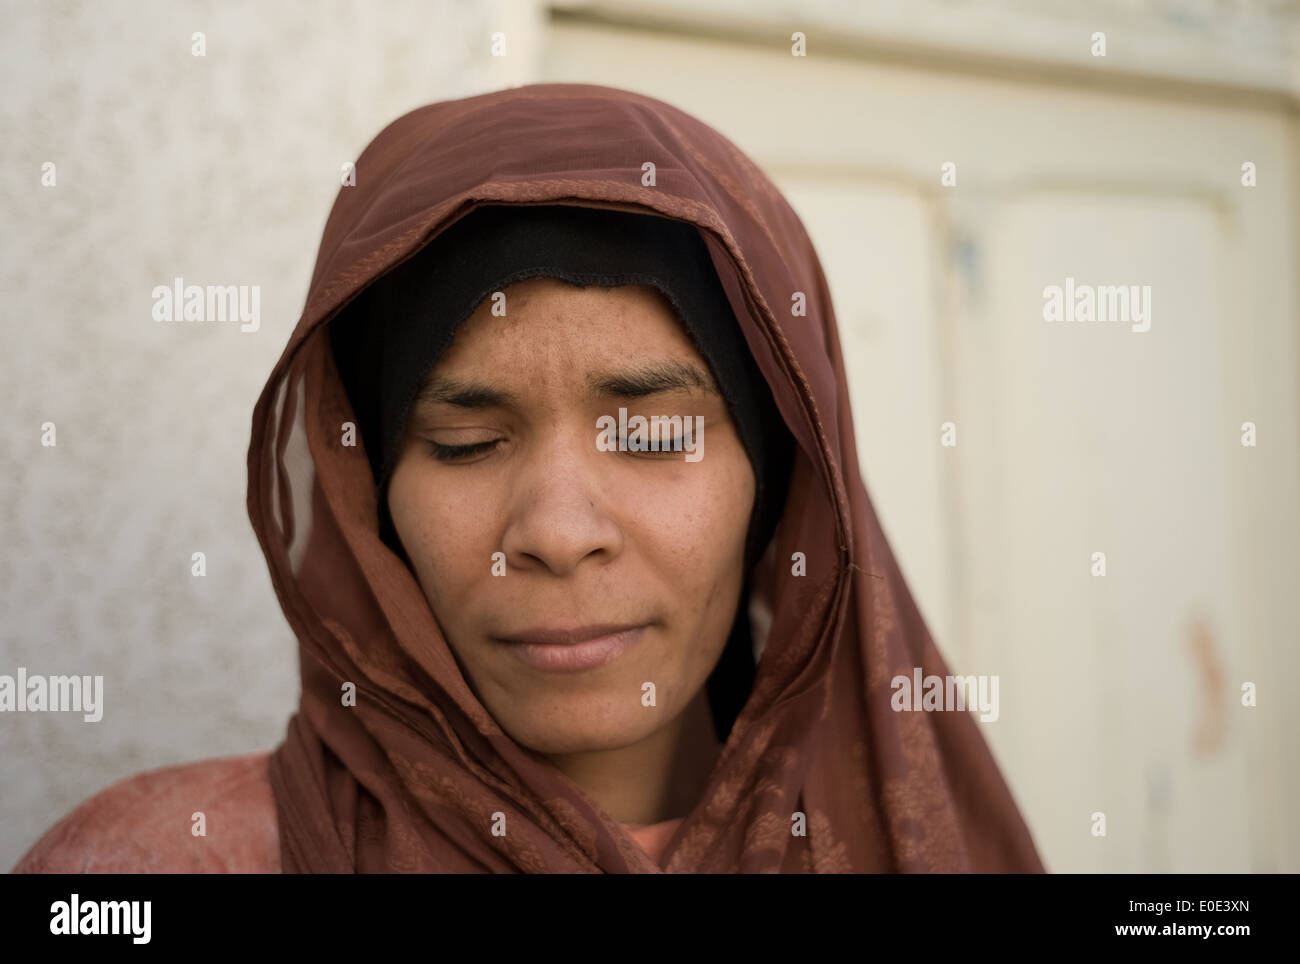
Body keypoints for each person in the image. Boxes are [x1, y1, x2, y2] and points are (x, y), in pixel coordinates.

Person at [13, 82, 1045, 873]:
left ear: (777, 481)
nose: (554, 529)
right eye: (463, 443)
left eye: (650, 435)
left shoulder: (900, 845)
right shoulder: (160, 864)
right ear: (368, 493)